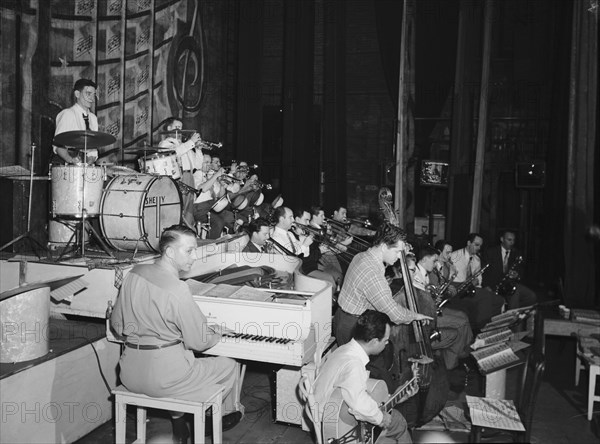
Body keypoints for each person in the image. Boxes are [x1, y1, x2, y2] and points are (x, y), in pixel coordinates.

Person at [109, 225, 242, 442]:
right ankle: (208, 419)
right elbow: (199, 342)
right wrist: (216, 333)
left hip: (129, 373)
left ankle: (180, 424)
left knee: (183, 364)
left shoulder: (133, 274)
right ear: (170, 252)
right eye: (189, 250)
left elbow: (117, 324)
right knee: (229, 365)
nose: (195, 256)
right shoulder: (178, 288)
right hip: (166, 378)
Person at [314, 310, 416, 444]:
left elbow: (353, 391)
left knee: (396, 419)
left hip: (328, 412)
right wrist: (380, 418)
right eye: (385, 341)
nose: (386, 344)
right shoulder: (354, 364)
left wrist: (394, 396)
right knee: (399, 422)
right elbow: (357, 401)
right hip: (337, 426)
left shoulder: (344, 349)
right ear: (374, 341)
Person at [334, 222, 432, 347]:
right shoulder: (373, 273)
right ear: (384, 247)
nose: (399, 256)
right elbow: (394, 313)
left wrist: (399, 249)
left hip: (342, 317)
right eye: (397, 252)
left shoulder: (362, 256)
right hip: (353, 326)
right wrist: (416, 316)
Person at [411, 247, 473, 373]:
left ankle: (462, 350)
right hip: (425, 316)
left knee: (462, 317)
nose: (435, 264)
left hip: (431, 310)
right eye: (434, 261)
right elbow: (421, 303)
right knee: (461, 323)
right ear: (423, 260)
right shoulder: (416, 275)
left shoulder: (424, 273)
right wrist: (433, 300)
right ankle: (453, 360)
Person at [446, 233, 505, 331]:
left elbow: (479, 281)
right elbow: (457, 281)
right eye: (476, 245)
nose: (479, 248)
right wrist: (472, 284)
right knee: (485, 297)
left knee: (499, 300)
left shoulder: (477, 259)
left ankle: (493, 328)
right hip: (457, 288)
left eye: (480, 246)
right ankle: (481, 329)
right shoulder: (455, 256)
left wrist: (477, 283)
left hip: (470, 288)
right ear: (469, 243)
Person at [157, 117, 202, 228]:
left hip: (189, 177)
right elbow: (174, 154)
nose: (180, 130)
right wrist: (191, 143)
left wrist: (199, 149)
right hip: (179, 179)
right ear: (169, 128)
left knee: (188, 210)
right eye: (177, 127)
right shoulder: (166, 143)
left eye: (181, 128)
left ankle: (188, 231)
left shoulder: (184, 145)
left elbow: (198, 165)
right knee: (180, 209)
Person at [482, 229, 537, 309]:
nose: (512, 243)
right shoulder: (491, 252)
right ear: (502, 239)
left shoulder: (517, 253)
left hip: (510, 284)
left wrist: (517, 274)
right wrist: (486, 285)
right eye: (509, 240)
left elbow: (521, 270)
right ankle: (512, 316)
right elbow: (484, 270)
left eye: (513, 240)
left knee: (531, 297)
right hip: (494, 284)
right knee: (514, 294)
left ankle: (513, 311)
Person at [53, 78, 99, 165]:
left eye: (94, 95)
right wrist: (70, 160)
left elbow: (93, 150)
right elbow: (58, 145)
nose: (92, 99)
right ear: (77, 94)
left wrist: (89, 162)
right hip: (65, 163)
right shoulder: (67, 114)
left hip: (84, 162)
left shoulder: (93, 118)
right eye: (88, 94)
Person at [192, 154, 233, 239]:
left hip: (210, 206)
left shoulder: (209, 176)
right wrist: (216, 175)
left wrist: (222, 186)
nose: (209, 165)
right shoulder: (197, 174)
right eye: (206, 162)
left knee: (229, 217)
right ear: (200, 163)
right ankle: (211, 245)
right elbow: (202, 189)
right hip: (199, 208)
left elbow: (220, 197)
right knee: (218, 222)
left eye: (210, 162)